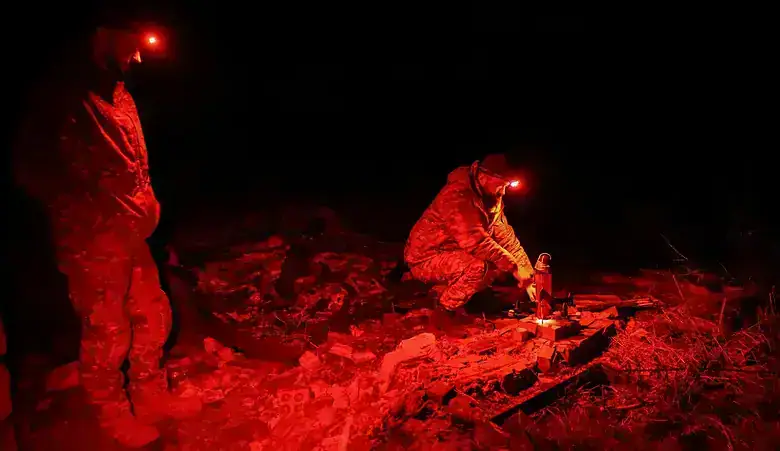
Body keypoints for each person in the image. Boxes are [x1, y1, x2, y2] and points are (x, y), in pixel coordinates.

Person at [12, 25, 200, 448]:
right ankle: (110, 414)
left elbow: (132, 164)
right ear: (101, 37)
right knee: (107, 333)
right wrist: (92, 212)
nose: (137, 58)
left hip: (130, 238)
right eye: (131, 45)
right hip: (92, 244)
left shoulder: (117, 93)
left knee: (153, 316)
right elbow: (32, 171)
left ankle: (151, 397)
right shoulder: (61, 98)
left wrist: (145, 200)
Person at [404, 154, 536, 313]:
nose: (504, 192)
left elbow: (506, 238)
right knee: (479, 267)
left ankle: (444, 290)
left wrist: (528, 275)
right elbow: (475, 241)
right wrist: (515, 268)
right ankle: (445, 309)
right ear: (484, 177)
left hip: (453, 253)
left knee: (497, 265)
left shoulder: (490, 197)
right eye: (501, 185)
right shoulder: (457, 195)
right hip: (425, 258)